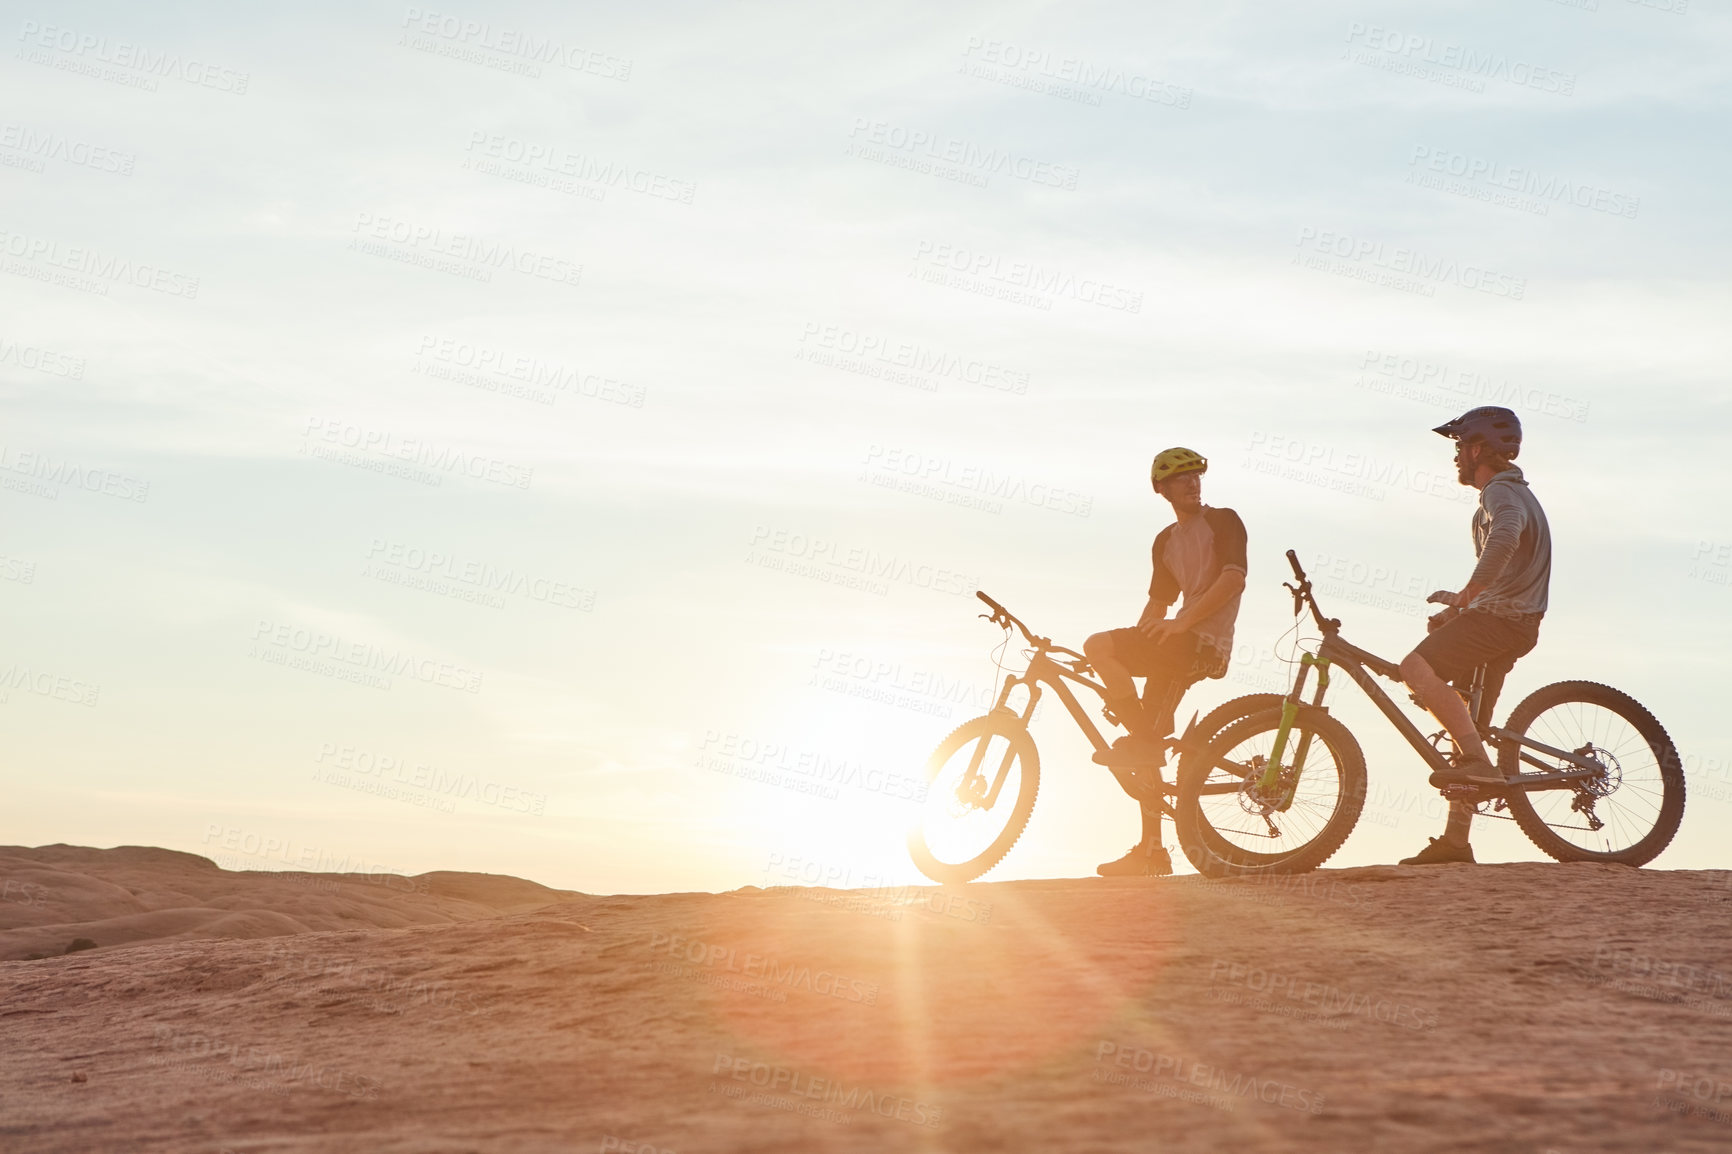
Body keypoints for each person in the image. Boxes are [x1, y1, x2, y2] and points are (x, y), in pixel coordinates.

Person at [1083, 447, 1247, 877]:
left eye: (1196, 476)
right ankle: (1152, 850)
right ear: (1162, 489)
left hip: (1202, 644)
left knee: (1145, 741)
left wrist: (1182, 623)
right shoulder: (1165, 542)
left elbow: (1233, 579)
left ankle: (1145, 740)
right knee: (1097, 645)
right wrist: (1118, 660)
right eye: (1181, 479)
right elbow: (1156, 606)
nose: (1192, 483)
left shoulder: (1224, 520)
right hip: (1173, 643)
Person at [1398, 406, 1551, 866]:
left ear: (1479, 448)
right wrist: (1464, 610)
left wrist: (1467, 597)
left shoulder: (1500, 494)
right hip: (1511, 619)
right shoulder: (1513, 492)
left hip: (1503, 619)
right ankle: (1456, 842)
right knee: (1466, 727)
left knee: (1413, 668)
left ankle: (1480, 767)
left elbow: (1505, 540)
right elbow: (1510, 563)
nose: (1456, 457)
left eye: (1460, 447)